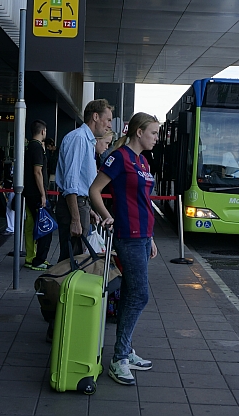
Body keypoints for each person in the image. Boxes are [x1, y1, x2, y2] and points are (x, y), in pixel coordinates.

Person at [89, 112, 159, 386]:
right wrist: (107, 215)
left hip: (142, 236)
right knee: (140, 295)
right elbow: (94, 190)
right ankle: (119, 358)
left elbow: (143, 200)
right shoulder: (119, 158)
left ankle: (125, 351)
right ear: (138, 132)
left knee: (131, 292)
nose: (156, 138)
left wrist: (151, 236)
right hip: (127, 235)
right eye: (153, 133)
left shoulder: (142, 161)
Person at [55, 99, 113, 262]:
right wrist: (75, 218)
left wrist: (88, 210)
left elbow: (78, 182)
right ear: (95, 116)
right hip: (75, 205)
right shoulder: (79, 138)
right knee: (71, 261)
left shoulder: (86, 140)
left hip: (81, 205)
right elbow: (71, 183)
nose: (109, 125)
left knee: (75, 258)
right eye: (108, 119)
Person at [23, 120, 53, 270]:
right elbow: (38, 171)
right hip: (36, 194)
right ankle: (39, 260)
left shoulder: (29, 147)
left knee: (31, 227)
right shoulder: (37, 148)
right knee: (46, 227)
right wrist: (43, 194)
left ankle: (31, 257)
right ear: (43, 132)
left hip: (28, 193)